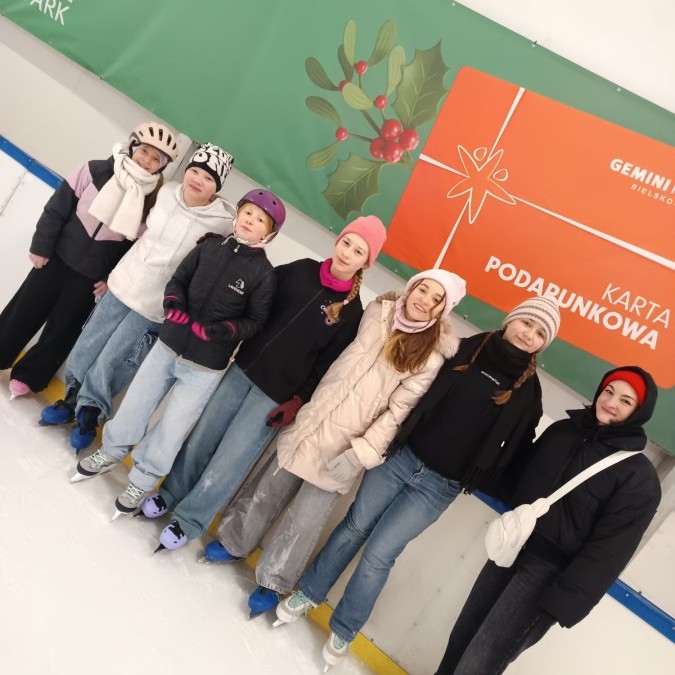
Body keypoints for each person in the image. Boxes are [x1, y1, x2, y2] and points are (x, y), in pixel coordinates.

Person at [276, 295, 561, 670]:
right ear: (511, 320)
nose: (529, 334)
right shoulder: (464, 349)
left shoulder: (529, 396)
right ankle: (309, 593)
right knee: (355, 526)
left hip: (439, 487)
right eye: (527, 323)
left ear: (543, 345)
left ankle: (345, 628)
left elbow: (516, 451)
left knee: (380, 553)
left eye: (539, 333)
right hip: (402, 457)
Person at [204, 268, 467, 621]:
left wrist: (360, 454)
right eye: (424, 290)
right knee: (269, 487)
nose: (425, 301)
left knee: (306, 518)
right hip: (316, 417)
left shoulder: (430, 356)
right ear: (412, 287)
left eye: (437, 300)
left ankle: (275, 579)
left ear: (442, 311)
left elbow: (398, 414)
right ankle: (235, 541)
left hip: (347, 444)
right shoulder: (376, 312)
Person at [139, 216, 387, 552]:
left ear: (366, 263)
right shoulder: (300, 270)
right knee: (201, 439)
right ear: (337, 241)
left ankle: (190, 520)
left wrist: (297, 400)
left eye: (358, 251)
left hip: (273, 397)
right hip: (240, 369)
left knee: (230, 460)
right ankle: (169, 494)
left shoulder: (350, 313)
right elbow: (256, 302)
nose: (347, 253)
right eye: (347, 243)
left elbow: (326, 365)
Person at [432, 366, 660, 675]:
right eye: (609, 391)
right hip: (512, 549)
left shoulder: (638, 478)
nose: (611, 402)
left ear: (639, 412)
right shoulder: (564, 432)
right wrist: (465, 466)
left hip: (549, 575)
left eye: (625, 400)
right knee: (463, 635)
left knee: (481, 659)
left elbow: (610, 551)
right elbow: (516, 478)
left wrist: (566, 601)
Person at [70, 189, 283, 518]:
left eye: (260, 220)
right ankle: (111, 451)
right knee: (137, 403)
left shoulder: (263, 274)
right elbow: (178, 281)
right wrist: (175, 306)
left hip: (205, 366)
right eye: (247, 213)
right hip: (168, 345)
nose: (250, 221)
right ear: (237, 214)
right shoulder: (209, 247)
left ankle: (142, 480)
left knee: (172, 427)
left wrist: (222, 331)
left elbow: (255, 321)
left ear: (268, 234)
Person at [39, 143, 235, 451]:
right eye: (195, 171)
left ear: (217, 187)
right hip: (123, 283)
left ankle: (91, 412)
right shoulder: (166, 192)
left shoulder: (223, 223)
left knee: (115, 358)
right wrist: (109, 275)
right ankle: (72, 397)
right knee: (89, 342)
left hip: (156, 304)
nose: (198, 180)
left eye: (209, 178)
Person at [0, 121, 177, 398]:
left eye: (156, 159)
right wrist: (41, 246)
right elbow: (57, 208)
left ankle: (29, 376)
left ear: (161, 167)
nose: (147, 161)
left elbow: (133, 252)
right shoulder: (94, 170)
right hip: (56, 258)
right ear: (132, 146)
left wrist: (109, 279)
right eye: (144, 151)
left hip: (90, 278)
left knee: (61, 331)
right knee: (23, 311)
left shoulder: (151, 203)